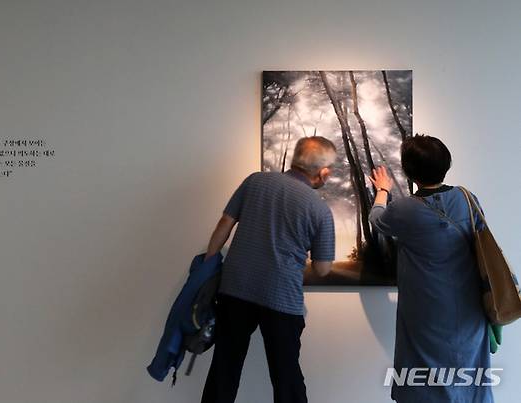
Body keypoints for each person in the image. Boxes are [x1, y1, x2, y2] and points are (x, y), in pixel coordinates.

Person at [200, 136, 337, 403]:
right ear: (323, 172)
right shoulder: (319, 210)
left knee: (224, 368)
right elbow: (322, 268)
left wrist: (208, 268)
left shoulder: (255, 181)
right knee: (286, 377)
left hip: (236, 288)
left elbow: (224, 224)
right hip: (281, 297)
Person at [368, 134, 494, 403]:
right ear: (446, 164)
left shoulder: (404, 209)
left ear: (409, 172)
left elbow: (377, 220)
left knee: (422, 381)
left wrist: (382, 191)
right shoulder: (466, 198)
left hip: (425, 313)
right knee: (470, 378)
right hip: (469, 309)